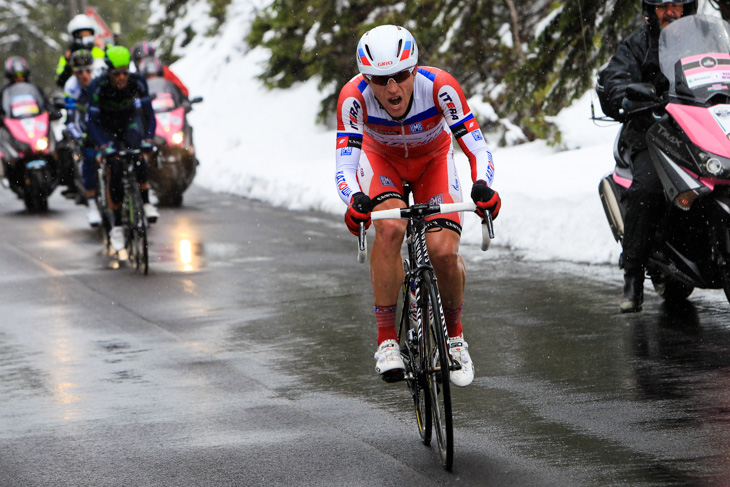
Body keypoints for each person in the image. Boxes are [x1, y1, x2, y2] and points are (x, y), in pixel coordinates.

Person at [335, 25, 501, 387]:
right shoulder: (353, 97)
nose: (392, 88)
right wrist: (355, 201)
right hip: (383, 164)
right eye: (380, 80)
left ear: (414, 69)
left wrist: (483, 186)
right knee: (391, 228)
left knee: (443, 251)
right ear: (366, 77)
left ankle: (455, 338)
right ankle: (386, 341)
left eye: (400, 76)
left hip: (432, 161)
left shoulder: (440, 86)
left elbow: (477, 146)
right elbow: (346, 166)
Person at [599, 0, 697, 313]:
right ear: (650, 10)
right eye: (663, 6)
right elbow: (614, 79)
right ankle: (633, 273)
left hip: (699, 131)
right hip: (651, 132)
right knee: (649, 189)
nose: (671, 12)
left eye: (678, 5)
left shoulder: (703, 40)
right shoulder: (638, 44)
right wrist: (626, 95)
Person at [87, 46, 159, 252]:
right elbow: (92, 122)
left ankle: (145, 202)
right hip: (106, 125)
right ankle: (117, 226)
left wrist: (149, 139)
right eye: (116, 73)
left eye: (125, 72)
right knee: (115, 168)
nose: (121, 78)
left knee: (138, 155)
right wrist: (103, 146)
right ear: (108, 72)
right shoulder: (97, 86)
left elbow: (149, 114)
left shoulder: (138, 81)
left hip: (129, 121)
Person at [63, 49, 103, 226]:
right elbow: (71, 120)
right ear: (73, 72)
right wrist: (81, 137)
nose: (84, 75)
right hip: (84, 128)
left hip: (102, 125)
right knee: (88, 158)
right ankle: (92, 204)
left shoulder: (100, 79)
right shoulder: (71, 87)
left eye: (88, 70)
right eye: (79, 71)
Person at [55, 14, 106, 89]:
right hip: (79, 95)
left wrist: (105, 48)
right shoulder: (69, 55)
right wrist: (68, 65)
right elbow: (60, 81)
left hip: (101, 91)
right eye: (81, 37)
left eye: (88, 36)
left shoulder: (100, 49)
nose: (85, 40)